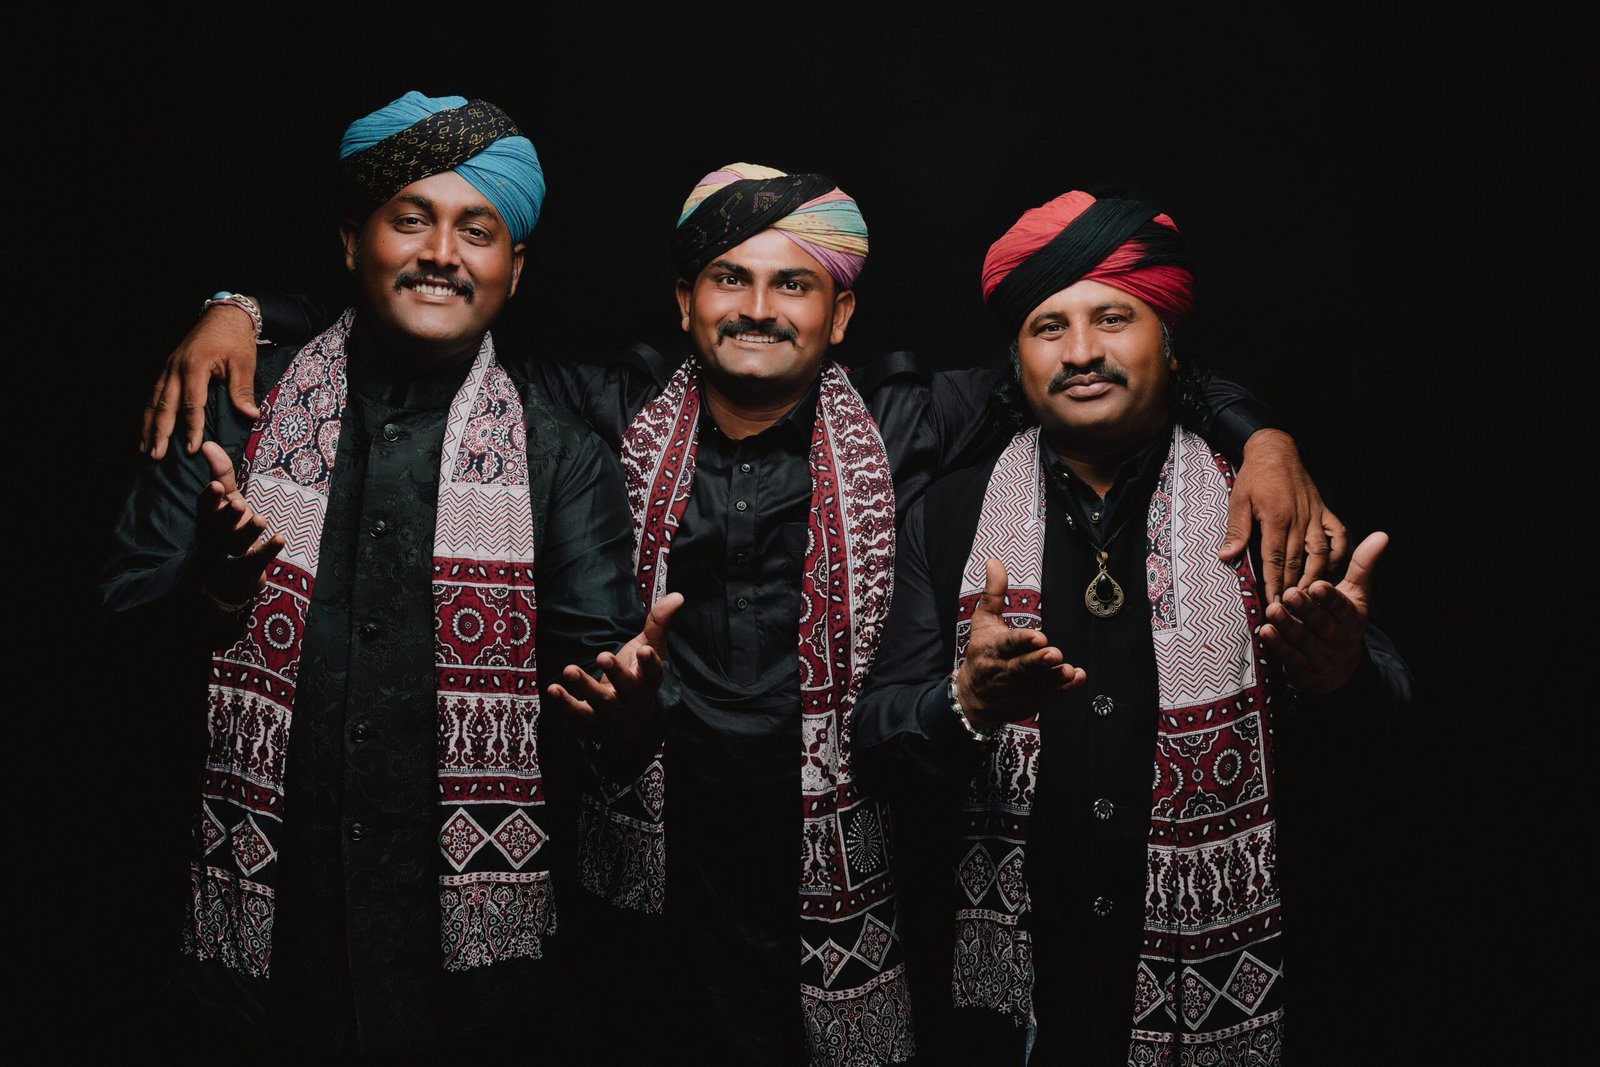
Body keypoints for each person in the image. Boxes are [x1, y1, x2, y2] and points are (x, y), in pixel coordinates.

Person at [134, 164, 1346, 1064]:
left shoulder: (912, 421)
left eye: (792, 284)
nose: (758, 307)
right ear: (685, 300)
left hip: (850, 851)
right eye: (730, 278)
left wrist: (1260, 435)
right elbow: (427, 323)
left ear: (840, 316)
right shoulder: (600, 407)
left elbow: (1098, 371)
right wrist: (244, 306)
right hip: (641, 860)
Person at [97, 91, 678, 1055]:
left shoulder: (560, 456)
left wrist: (628, 717)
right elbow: (114, 639)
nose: (442, 253)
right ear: (350, 241)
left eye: (477, 231)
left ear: (514, 269)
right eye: (411, 220)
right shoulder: (234, 405)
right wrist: (216, 590)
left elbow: (594, 689)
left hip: (470, 993)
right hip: (252, 964)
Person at [852, 189, 1414, 1064]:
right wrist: (963, 701)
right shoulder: (952, 512)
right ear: (1016, 358)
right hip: (1013, 1005)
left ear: (1167, 339)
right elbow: (877, 742)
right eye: (1049, 327)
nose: (1081, 352)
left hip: (1244, 973)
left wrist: (1341, 672)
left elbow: (1392, 738)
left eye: (1112, 318)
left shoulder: (1264, 498)